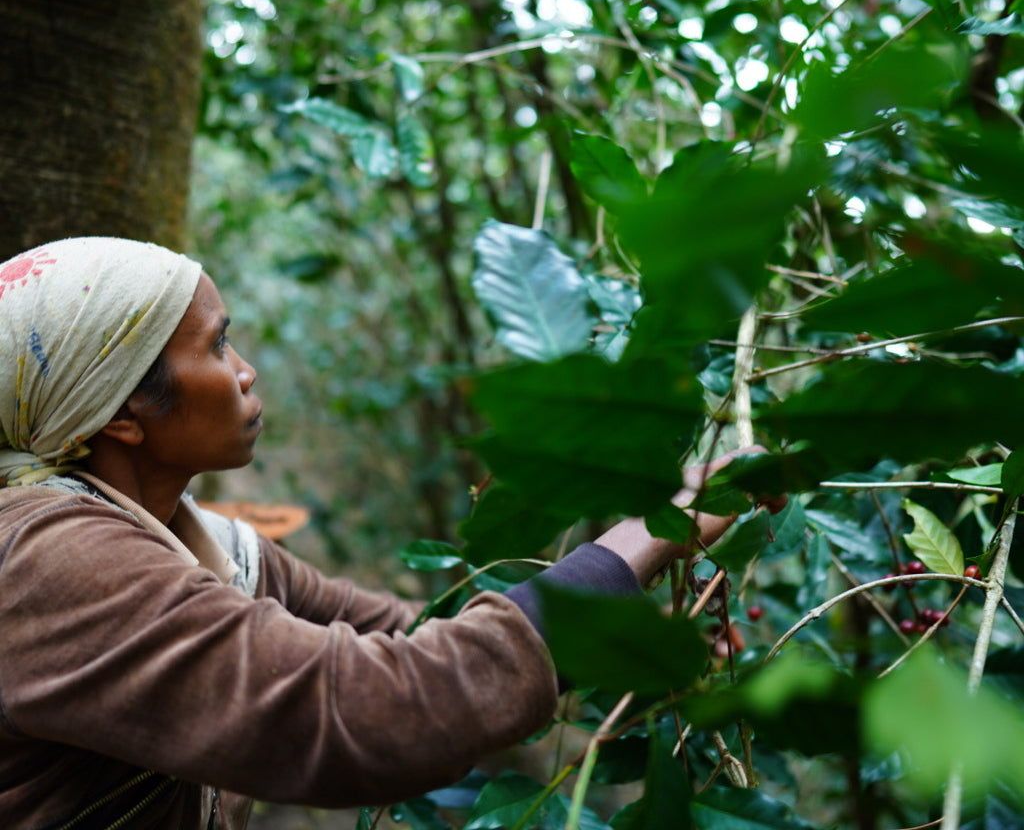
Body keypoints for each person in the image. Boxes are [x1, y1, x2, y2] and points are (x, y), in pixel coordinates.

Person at [0, 236, 756, 830]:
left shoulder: (208, 547)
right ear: (124, 412)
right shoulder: (48, 562)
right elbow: (372, 709)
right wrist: (651, 533)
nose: (246, 372)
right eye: (215, 346)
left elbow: (405, 638)